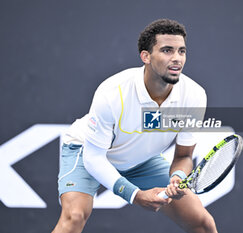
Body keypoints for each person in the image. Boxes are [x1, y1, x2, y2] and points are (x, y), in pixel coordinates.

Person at [52, 19, 217, 233]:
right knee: (74, 217)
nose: (177, 59)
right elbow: (93, 158)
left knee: (201, 223)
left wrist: (177, 178)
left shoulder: (194, 95)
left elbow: (184, 156)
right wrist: (135, 195)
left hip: (140, 161)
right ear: (145, 56)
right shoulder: (112, 92)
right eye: (167, 50)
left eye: (181, 51)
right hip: (88, 152)